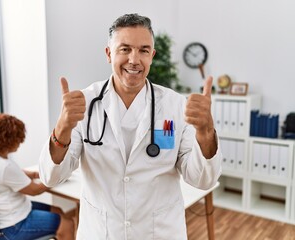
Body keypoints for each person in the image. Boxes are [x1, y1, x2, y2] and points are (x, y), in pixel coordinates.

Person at [39, 13, 222, 239]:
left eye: (143, 50)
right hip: (102, 232)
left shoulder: (175, 106)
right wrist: (62, 128)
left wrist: (205, 133)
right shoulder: (83, 104)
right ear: (109, 54)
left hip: (159, 232)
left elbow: (202, 180)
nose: (134, 60)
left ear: (152, 56)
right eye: (125, 49)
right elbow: (51, 176)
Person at [0, 113, 74, 240]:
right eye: (19, 139)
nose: (20, 143)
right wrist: (57, 177)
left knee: (58, 210)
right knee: (68, 224)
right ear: (10, 140)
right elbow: (35, 190)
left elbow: (14, 175)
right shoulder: (4, 167)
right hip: (13, 226)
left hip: (10, 214)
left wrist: (35, 174)